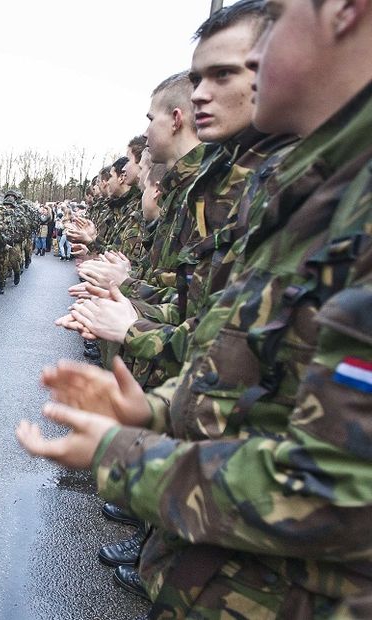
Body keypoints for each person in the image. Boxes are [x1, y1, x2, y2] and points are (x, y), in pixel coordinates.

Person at [20, 0, 372, 615]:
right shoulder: (315, 189)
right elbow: (257, 365)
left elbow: (346, 492)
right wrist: (157, 410)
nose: (258, 56)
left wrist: (120, 454)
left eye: (280, 17)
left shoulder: (341, 198)